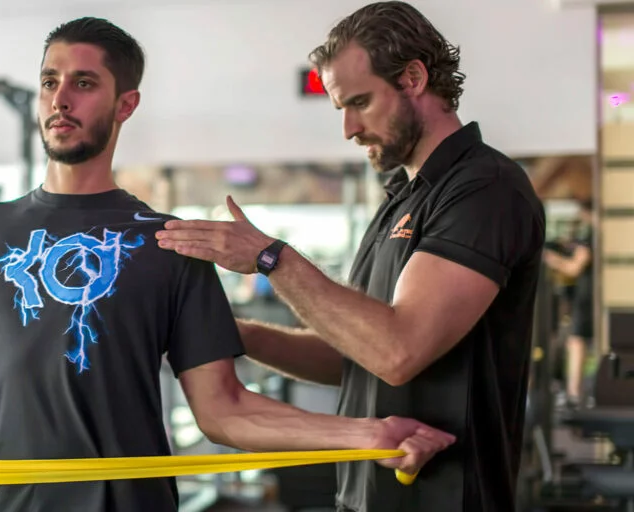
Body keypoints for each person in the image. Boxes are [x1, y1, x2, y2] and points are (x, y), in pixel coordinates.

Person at [0, 16, 455, 512]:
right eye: (49, 81)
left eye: (84, 83)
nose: (60, 99)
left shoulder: (172, 244)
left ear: (125, 105)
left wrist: (366, 432)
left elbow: (225, 413)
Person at [156, 3, 546, 511]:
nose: (348, 128)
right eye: (341, 107)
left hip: (444, 498)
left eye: (360, 102)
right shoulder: (401, 201)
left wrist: (271, 258)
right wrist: (237, 335)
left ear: (413, 78)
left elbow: (397, 352)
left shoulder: (483, 190)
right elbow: (357, 356)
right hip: (365, 496)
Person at [543, 199, 594, 408]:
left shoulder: (591, 236)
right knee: (575, 341)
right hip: (585, 295)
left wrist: (551, 258)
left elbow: (574, 267)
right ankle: (574, 391)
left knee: (577, 341)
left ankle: (574, 392)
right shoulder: (591, 235)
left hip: (586, 296)